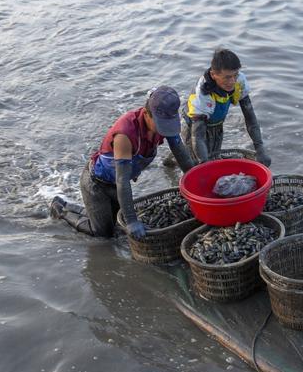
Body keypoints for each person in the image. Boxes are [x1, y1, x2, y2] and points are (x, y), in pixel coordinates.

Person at [49, 86, 194, 238]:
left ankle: (85, 211)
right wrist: (131, 220)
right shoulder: (125, 134)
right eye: (161, 124)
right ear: (146, 114)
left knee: (115, 224)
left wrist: (196, 182)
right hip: (97, 184)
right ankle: (60, 209)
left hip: (116, 184)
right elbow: (122, 181)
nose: (165, 129)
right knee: (103, 233)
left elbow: (180, 153)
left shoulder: (166, 124)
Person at [176, 48, 271, 166]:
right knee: (194, 165)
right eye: (227, 77)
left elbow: (250, 117)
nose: (232, 81)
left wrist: (259, 147)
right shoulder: (202, 95)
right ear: (213, 74)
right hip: (194, 126)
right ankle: (176, 156)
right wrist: (204, 164)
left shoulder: (239, 81)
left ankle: (177, 155)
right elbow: (198, 137)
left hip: (216, 124)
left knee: (214, 157)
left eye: (235, 75)